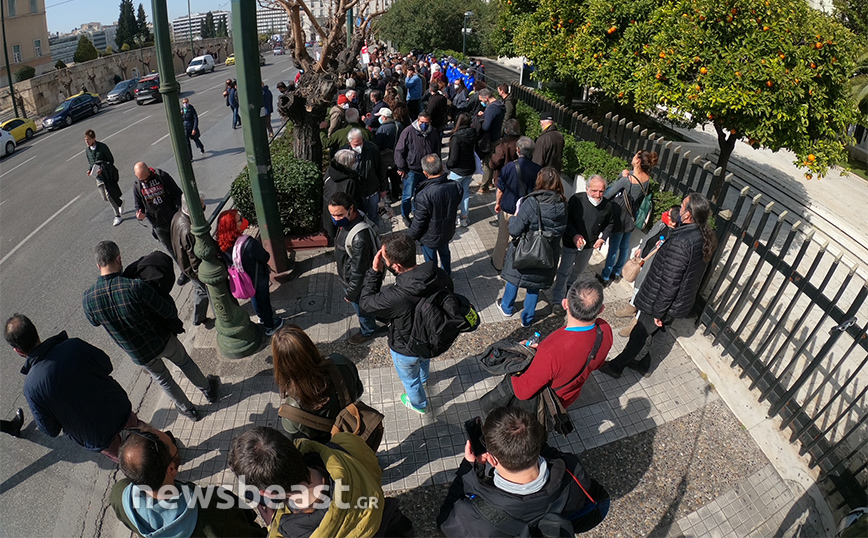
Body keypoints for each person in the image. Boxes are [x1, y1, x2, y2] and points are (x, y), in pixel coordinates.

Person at [83, 241, 220, 422]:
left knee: (163, 379)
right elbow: (167, 310)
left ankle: (189, 410)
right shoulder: (134, 287)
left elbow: (94, 322)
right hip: (161, 339)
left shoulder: (89, 299)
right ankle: (208, 390)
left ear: (98, 264)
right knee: (185, 362)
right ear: (118, 258)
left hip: (138, 353)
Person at [5, 313, 157, 461]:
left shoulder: (31, 388)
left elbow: (50, 429)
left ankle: (162, 480)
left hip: (97, 435)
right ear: (35, 331)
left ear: (18, 350)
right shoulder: (73, 345)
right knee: (150, 438)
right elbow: (106, 364)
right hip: (118, 409)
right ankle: (170, 451)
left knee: (134, 462)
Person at [599, 193, 717, 378]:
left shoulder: (682, 242)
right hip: (678, 303)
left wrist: (659, 312)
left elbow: (670, 282)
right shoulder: (702, 235)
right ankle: (646, 366)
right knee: (661, 334)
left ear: (687, 215)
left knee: (640, 334)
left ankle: (616, 367)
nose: (679, 207)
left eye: (683, 204)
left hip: (659, 301)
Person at [437, 406, 603, 536]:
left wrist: (469, 467)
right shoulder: (572, 469)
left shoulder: (474, 518)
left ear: (493, 460)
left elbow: (444, 523)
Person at [227, 426, 389, 538]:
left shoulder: (289, 531)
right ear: (290, 446)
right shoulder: (347, 444)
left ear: (267, 493)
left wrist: (272, 524)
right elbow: (374, 470)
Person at [360, 233, 453, 414]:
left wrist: (374, 272)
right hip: (430, 337)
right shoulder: (436, 272)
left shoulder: (395, 296)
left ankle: (419, 404)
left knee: (410, 380)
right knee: (424, 360)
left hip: (406, 347)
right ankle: (425, 378)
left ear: (396, 266)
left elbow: (365, 304)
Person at [111, 428, 267, 537]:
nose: (175, 443)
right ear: (171, 469)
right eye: (173, 444)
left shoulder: (119, 496)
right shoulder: (215, 506)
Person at [512, 279, 613, 406]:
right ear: (601, 309)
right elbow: (597, 363)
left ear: (565, 304)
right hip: (570, 396)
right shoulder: (605, 329)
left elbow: (522, 392)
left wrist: (514, 362)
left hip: (548, 403)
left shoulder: (551, 350)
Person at [498, 167, 568, 327]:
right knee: (535, 286)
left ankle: (507, 307)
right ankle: (527, 319)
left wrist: (516, 216)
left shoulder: (531, 202)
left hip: (526, 249)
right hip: (547, 252)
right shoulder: (563, 203)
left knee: (515, 277)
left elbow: (515, 230)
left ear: (539, 181)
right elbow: (561, 229)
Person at [273, 325, 364, 440]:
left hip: (330, 455)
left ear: (280, 364)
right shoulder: (340, 362)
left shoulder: (291, 414)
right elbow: (359, 390)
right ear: (310, 346)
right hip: (357, 432)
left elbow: (300, 448)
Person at [328, 192, 387, 345]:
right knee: (370, 303)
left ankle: (368, 331)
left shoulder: (359, 237)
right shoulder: (355, 218)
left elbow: (358, 271)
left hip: (357, 285)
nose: (335, 218)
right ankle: (382, 316)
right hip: (357, 279)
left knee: (363, 309)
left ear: (351, 209)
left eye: (339, 215)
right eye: (332, 214)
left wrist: (351, 293)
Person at [216, 209, 285, 336]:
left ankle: (261, 317)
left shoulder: (220, 243)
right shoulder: (249, 243)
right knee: (263, 300)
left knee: (254, 296)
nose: (242, 220)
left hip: (242, 279)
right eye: (239, 220)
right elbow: (265, 257)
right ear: (233, 226)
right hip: (258, 277)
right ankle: (270, 326)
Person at [551, 176, 616, 303]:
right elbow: (567, 220)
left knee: (579, 269)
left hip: (589, 245)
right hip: (570, 242)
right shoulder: (576, 200)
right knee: (564, 269)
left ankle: (569, 287)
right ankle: (557, 299)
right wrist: (575, 235)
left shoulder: (608, 206)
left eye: (601, 191)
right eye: (594, 191)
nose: (598, 195)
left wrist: (603, 238)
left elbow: (610, 224)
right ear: (587, 190)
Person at [598, 150, 657, 286]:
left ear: (637, 161)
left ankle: (605, 277)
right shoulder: (647, 179)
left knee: (614, 247)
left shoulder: (627, 180)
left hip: (620, 217)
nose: (633, 156)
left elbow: (608, 195)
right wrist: (623, 174)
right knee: (624, 246)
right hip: (632, 217)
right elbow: (631, 178)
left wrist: (622, 177)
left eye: (635, 155)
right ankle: (617, 273)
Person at [491, 137, 541, 272]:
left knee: (503, 237)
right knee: (522, 238)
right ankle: (517, 264)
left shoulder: (509, 167)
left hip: (508, 208)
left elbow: (500, 189)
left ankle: (498, 264)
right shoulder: (538, 170)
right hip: (526, 211)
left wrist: (498, 203)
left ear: (518, 150)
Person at [133, 162, 187, 285]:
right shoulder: (137, 185)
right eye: (142, 180)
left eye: (146, 178)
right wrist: (139, 214)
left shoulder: (161, 176)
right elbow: (138, 206)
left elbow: (177, 193)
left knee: (182, 244)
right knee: (172, 249)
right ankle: (184, 271)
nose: (145, 182)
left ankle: (192, 266)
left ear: (149, 171)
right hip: (157, 224)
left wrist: (180, 211)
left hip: (173, 218)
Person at [407, 154, 463, 275]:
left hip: (429, 237)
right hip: (447, 231)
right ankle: (447, 275)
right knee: (445, 253)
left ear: (425, 173)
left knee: (431, 262)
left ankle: (435, 279)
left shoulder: (424, 195)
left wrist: (410, 238)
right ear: (442, 167)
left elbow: (419, 221)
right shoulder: (456, 186)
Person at [394, 111, 441, 227]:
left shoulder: (433, 132)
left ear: (430, 122)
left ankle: (417, 212)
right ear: (418, 121)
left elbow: (437, 150)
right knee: (407, 195)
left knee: (421, 194)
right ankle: (405, 214)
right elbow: (399, 150)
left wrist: (437, 166)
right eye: (422, 122)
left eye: (426, 122)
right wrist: (401, 167)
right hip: (411, 170)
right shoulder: (408, 131)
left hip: (427, 171)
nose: (424, 124)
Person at [171, 194, 210, 326]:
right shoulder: (188, 230)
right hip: (192, 269)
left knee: (200, 291)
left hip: (184, 265)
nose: (204, 206)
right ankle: (199, 318)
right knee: (204, 291)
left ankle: (198, 318)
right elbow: (194, 259)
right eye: (201, 204)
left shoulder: (177, 216)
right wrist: (202, 277)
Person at [342, 128, 386, 226]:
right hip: (355, 194)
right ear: (349, 143)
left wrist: (383, 188)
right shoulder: (344, 152)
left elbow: (381, 169)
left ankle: (375, 237)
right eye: (356, 145)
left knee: (373, 217)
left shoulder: (372, 149)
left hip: (371, 191)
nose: (359, 147)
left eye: (360, 143)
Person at [84, 130, 124, 227]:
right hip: (98, 177)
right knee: (105, 198)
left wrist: (102, 168)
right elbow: (91, 163)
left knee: (110, 196)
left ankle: (117, 216)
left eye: (88, 139)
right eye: (85, 140)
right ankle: (120, 202)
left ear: (94, 138)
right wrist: (90, 170)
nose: (87, 141)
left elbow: (111, 160)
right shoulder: (87, 151)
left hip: (106, 175)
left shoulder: (102, 147)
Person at [322, 149, 364, 241]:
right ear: (347, 164)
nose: (355, 163)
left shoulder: (329, 172)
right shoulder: (350, 181)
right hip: (345, 219)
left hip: (330, 216)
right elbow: (355, 201)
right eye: (353, 161)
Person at [446, 113, 477, 228]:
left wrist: (448, 166)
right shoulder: (473, 133)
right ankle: (464, 217)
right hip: (469, 168)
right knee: (465, 193)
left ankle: (453, 218)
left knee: (453, 195)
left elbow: (453, 158)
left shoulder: (456, 137)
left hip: (457, 170)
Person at [475, 88, 506, 194]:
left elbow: (486, 126)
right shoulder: (499, 105)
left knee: (487, 163)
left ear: (486, 98)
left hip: (490, 139)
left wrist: (481, 119)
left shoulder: (492, 108)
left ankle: (484, 187)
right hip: (496, 137)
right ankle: (488, 181)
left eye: (481, 100)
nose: (481, 102)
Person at [489, 119, 521, 188]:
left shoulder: (503, 143)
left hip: (503, 176)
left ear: (507, 131)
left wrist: (491, 163)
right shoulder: (523, 141)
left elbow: (496, 160)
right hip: (519, 177)